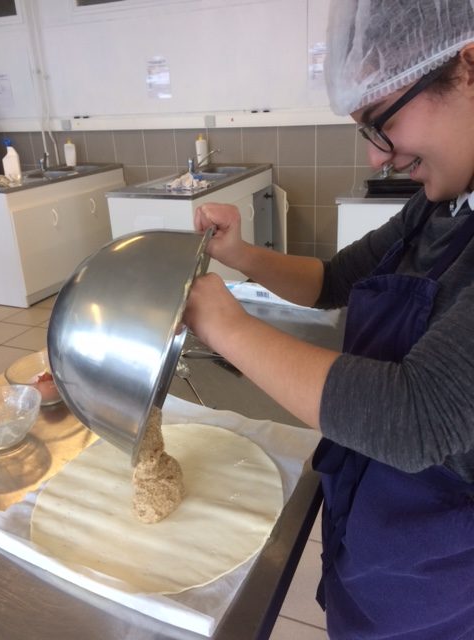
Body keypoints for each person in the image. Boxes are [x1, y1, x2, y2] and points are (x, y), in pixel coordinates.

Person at [183, 1, 474, 638]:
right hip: (375, 544)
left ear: (469, 64)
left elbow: (415, 416)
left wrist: (226, 325)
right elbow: (333, 282)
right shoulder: (443, 207)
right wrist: (241, 256)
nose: (377, 159)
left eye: (381, 122)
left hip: (441, 586)